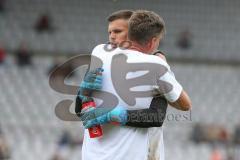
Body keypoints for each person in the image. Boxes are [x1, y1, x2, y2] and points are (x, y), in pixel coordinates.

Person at [78, 10, 191, 160]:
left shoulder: (99, 53)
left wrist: (111, 114)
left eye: (118, 31)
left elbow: (156, 116)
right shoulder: (102, 54)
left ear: (131, 33)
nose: (112, 36)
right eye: (110, 32)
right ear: (152, 41)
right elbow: (181, 106)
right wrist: (83, 92)